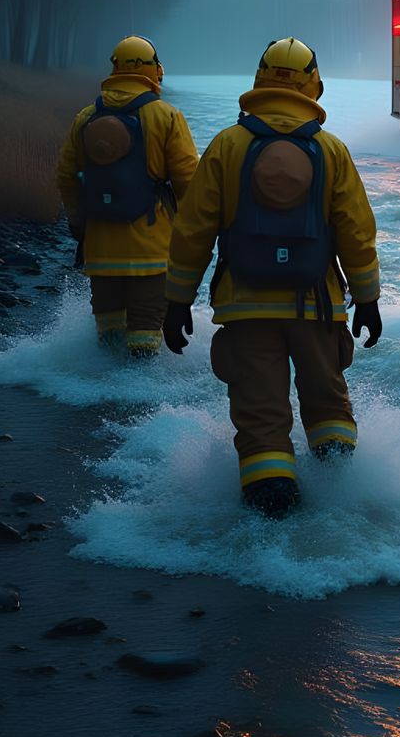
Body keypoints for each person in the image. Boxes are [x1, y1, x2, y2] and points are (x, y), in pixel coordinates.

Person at [162, 37, 381, 518]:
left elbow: (192, 231)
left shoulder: (227, 146)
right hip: (318, 307)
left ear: (259, 80)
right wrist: (367, 300)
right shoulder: (331, 151)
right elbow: (357, 234)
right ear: (313, 86)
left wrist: (177, 301)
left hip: (246, 308)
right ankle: (338, 495)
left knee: (261, 416)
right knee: (328, 405)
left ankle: (270, 515)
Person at [56, 36, 199, 357]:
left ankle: (101, 392)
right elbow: (189, 180)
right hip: (151, 250)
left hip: (99, 248)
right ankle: (138, 395)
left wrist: (78, 220)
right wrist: (190, 233)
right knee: (146, 332)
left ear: (115, 68)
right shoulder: (166, 116)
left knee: (108, 331)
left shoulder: (85, 117)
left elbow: (66, 175)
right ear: (155, 70)